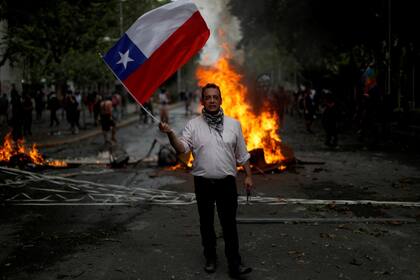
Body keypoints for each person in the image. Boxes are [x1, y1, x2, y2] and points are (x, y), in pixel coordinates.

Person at [159, 83, 253, 278]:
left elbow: (242, 154)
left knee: (229, 224)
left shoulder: (234, 124)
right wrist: (170, 133)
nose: (211, 100)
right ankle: (210, 258)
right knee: (206, 223)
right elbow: (182, 149)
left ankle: (235, 264)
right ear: (203, 101)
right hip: (203, 183)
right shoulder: (193, 125)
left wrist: (249, 176)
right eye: (208, 97)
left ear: (220, 100)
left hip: (227, 183)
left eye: (215, 97)